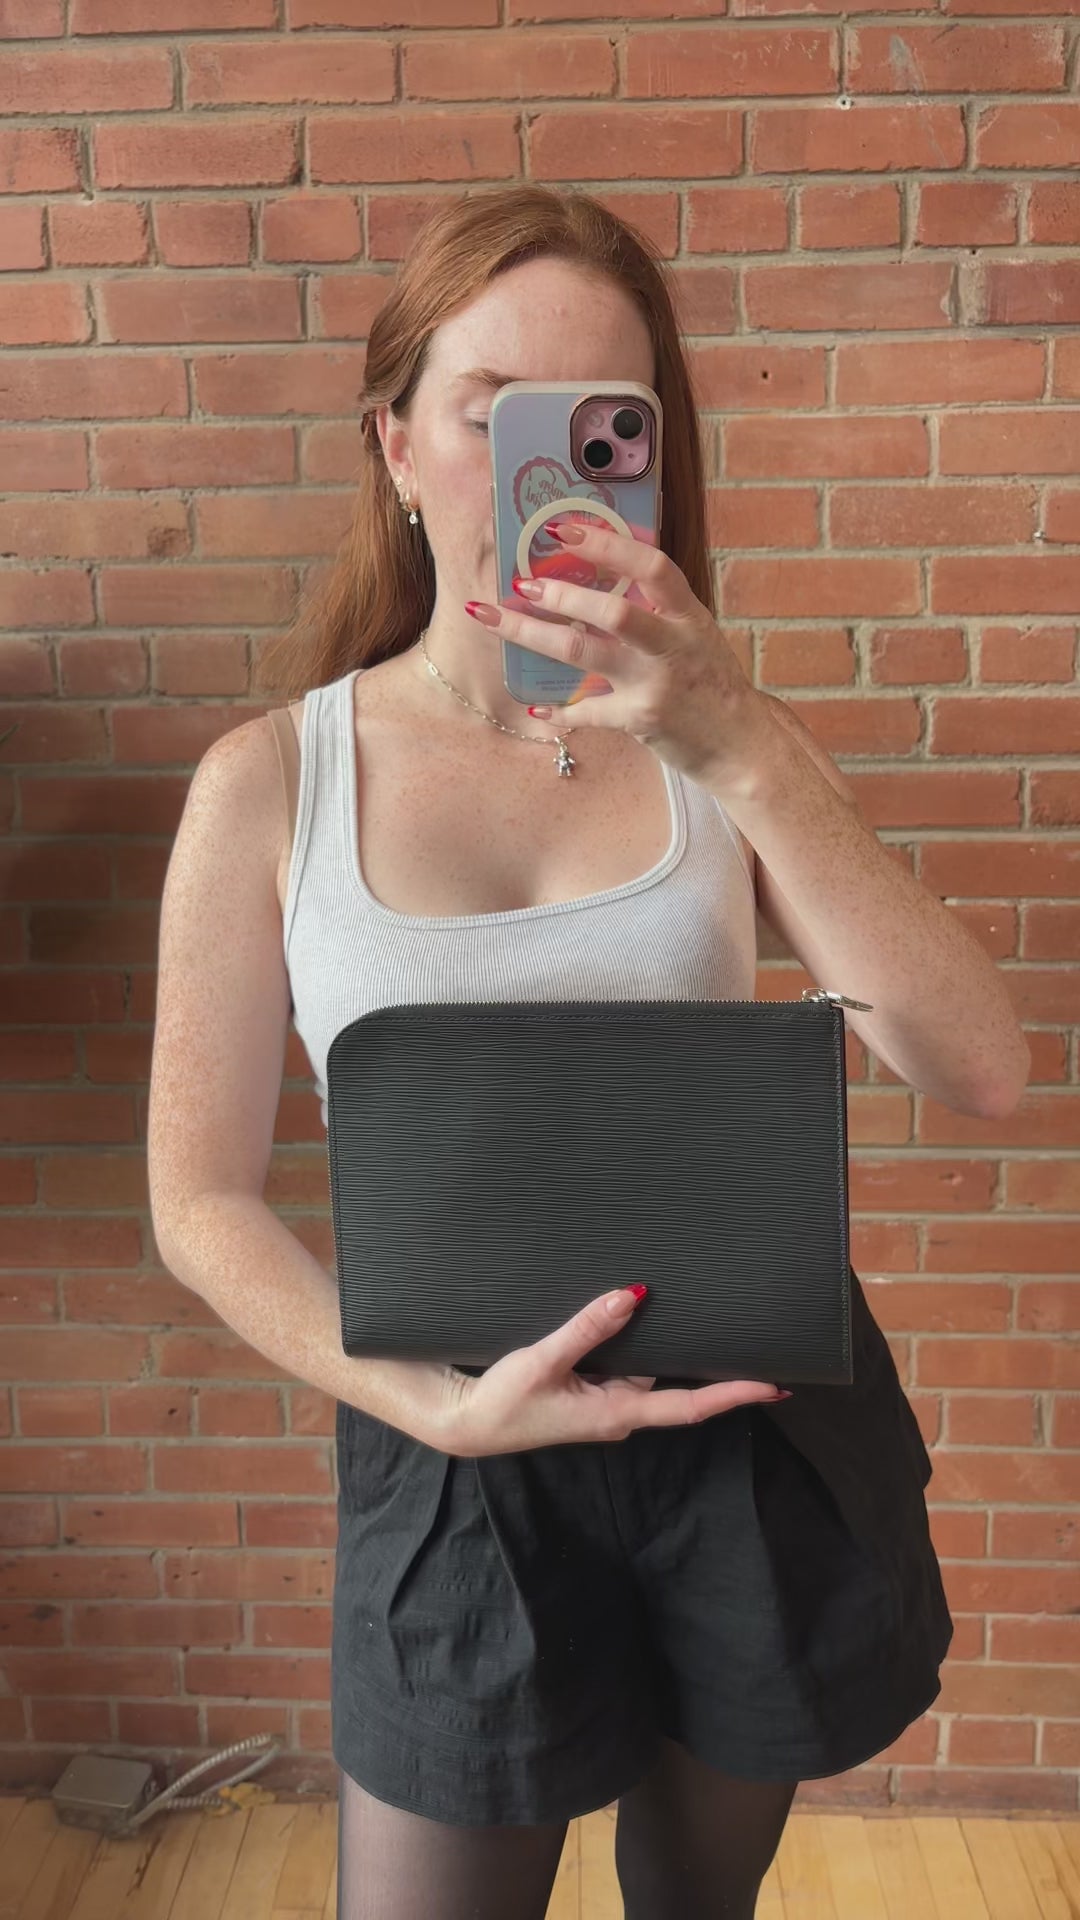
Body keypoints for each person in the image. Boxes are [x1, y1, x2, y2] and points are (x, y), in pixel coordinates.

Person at [148, 186, 1029, 1920]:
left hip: (751, 1429)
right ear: (398, 448)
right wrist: (429, 1407)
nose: (540, 469)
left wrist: (744, 741)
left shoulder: (722, 750)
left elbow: (982, 1069)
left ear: (652, 458)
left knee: (696, 1905)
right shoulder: (269, 784)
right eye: (491, 414)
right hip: (453, 1447)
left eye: (601, 422)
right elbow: (199, 1197)